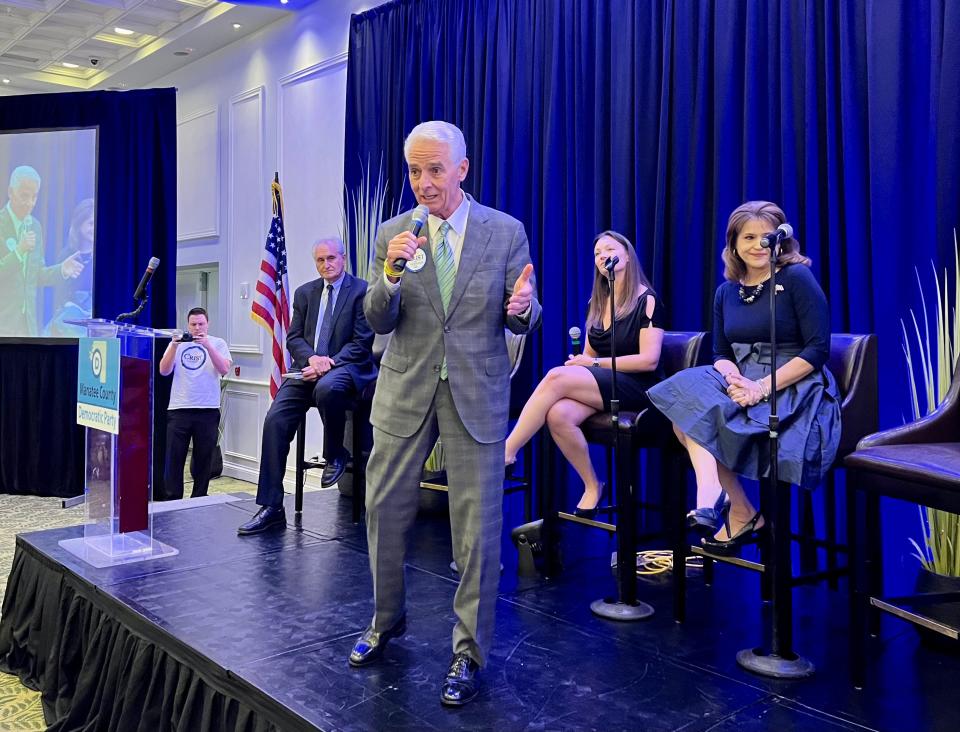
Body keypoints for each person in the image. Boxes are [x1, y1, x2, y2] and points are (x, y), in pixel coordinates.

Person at [352, 121, 541, 706]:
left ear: (462, 168)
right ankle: (387, 621)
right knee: (382, 511)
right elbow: (377, 319)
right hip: (404, 388)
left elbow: (522, 313)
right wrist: (387, 276)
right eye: (414, 171)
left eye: (435, 170)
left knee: (478, 533)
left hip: (475, 393)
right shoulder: (394, 234)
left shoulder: (505, 232)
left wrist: (524, 309)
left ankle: (469, 654)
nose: (424, 183)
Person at [647, 201, 840, 554]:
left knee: (698, 420)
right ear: (733, 244)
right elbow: (721, 352)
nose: (757, 244)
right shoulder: (726, 292)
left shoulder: (796, 278)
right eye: (748, 237)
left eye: (766, 236)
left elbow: (817, 349)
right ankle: (730, 504)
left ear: (780, 240)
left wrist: (760, 387)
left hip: (792, 381)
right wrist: (735, 377)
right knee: (683, 405)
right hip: (742, 377)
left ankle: (726, 507)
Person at [504, 230, 665, 516]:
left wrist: (590, 366)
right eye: (597, 254)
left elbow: (649, 361)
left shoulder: (647, 299)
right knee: (558, 414)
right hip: (608, 383)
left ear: (627, 255)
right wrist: (580, 363)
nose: (602, 257)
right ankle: (593, 484)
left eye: (609, 250)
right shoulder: (598, 303)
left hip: (641, 387)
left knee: (555, 377)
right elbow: (590, 356)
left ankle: (507, 451)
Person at [238, 237, 377, 535]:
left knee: (328, 388)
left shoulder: (362, 291)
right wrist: (312, 359)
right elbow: (293, 338)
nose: (326, 264)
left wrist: (328, 362)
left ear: (343, 258)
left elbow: (362, 341)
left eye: (331, 258)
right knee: (275, 420)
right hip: (306, 368)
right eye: (320, 260)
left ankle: (335, 453)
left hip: (347, 368)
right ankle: (272, 508)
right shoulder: (305, 293)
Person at [0, 166, 84, 336]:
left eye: (34, 197)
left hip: (28, 328)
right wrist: (19, 251)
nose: (30, 203)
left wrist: (61, 269)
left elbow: (37, 276)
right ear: (10, 192)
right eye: (25, 196)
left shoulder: (35, 226)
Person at [159, 307, 233, 500]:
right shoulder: (178, 343)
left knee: (203, 458)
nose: (197, 328)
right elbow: (164, 371)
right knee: (175, 458)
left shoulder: (218, 343)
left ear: (207, 324)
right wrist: (174, 346)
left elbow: (224, 368)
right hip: (179, 408)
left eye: (201, 324)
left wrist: (208, 346)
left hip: (207, 409)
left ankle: (199, 498)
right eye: (193, 324)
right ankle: (172, 499)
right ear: (188, 325)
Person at [45, 198, 95, 337]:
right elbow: (59, 293)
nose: (94, 227)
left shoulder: (102, 256)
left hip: (95, 321)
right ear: (79, 226)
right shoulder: (66, 255)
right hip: (69, 321)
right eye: (90, 223)